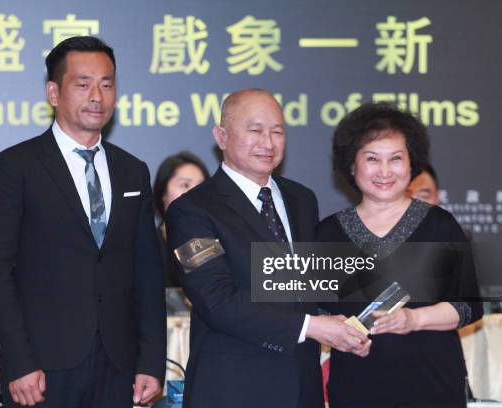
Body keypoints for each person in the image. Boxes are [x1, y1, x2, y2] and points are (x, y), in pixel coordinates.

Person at [0, 36, 166, 407]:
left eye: (107, 84)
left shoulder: (133, 172)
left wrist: (152, 362)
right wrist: (17, 361)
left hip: (119, 367)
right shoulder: (15, 167)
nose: (97, 95)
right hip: (42, 369)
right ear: (53, 92)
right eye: (83, 84)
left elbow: (147, 273)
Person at [166, 88, 370, 408]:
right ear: (221, 136)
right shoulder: (192, 211)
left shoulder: (301, 199)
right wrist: (313, 327)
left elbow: (306, 285)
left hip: (303, 387)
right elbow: (217, 302)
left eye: (277, 131)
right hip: (233, 389)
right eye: (255, 130)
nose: (268, 142)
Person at [317, 102, 483, 407]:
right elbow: (317, 314)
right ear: (352, 166)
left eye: (395, 158)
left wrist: (414, 319)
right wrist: (339, 335)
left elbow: (469, 307)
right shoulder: (327, 233)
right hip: (357, 387)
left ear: (412, 164)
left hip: (432, 386)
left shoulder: (440, 225)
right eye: (371, 159)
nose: (384, 171)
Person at [153, 151, 209, 286]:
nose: (194, 193)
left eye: (201, 186)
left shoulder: (209, 242)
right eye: (185, 185)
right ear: (163, 194)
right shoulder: (145, 243)